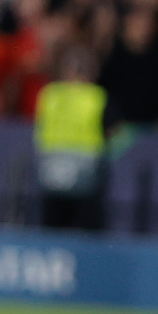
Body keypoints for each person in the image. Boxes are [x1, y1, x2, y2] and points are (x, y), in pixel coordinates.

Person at [35, 48, 110, 232]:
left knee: (53, 223)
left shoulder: (50, 94)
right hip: (86, 163)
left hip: (53, 162)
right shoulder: (95, 96)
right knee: (85, 224)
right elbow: (112, 128)